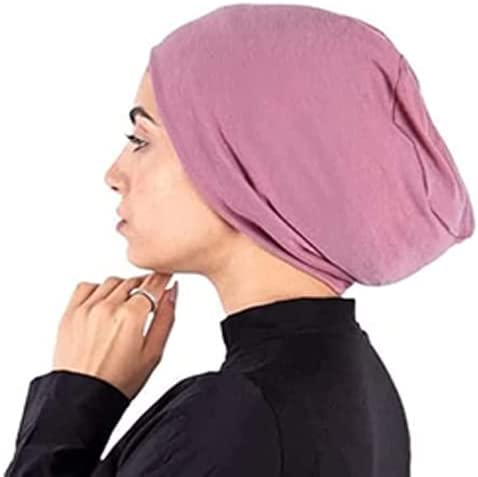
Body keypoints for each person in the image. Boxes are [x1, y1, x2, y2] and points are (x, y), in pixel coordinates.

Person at [6, 4, 474, 476]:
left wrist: (72, 403)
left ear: (245, 167)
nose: (114, 174)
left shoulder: (229, 417)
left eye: (141, 139)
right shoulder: (367, 388)